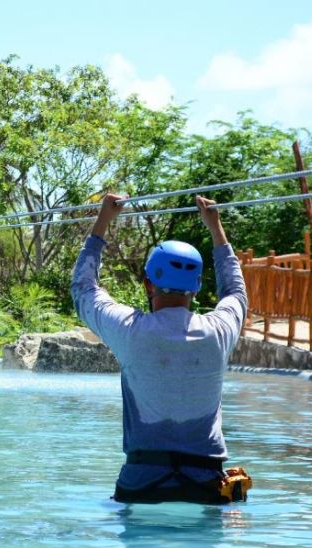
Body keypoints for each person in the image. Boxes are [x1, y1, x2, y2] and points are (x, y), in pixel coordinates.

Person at [70, 194, 249, 505]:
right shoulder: (219, 331)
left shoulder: (130, 330)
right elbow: (235, 291)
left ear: (148, 284)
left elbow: (83, 288)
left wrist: (103, 222)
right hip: (206, 483)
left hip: (142, 483)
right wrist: (216, 228)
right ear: (195, 287)